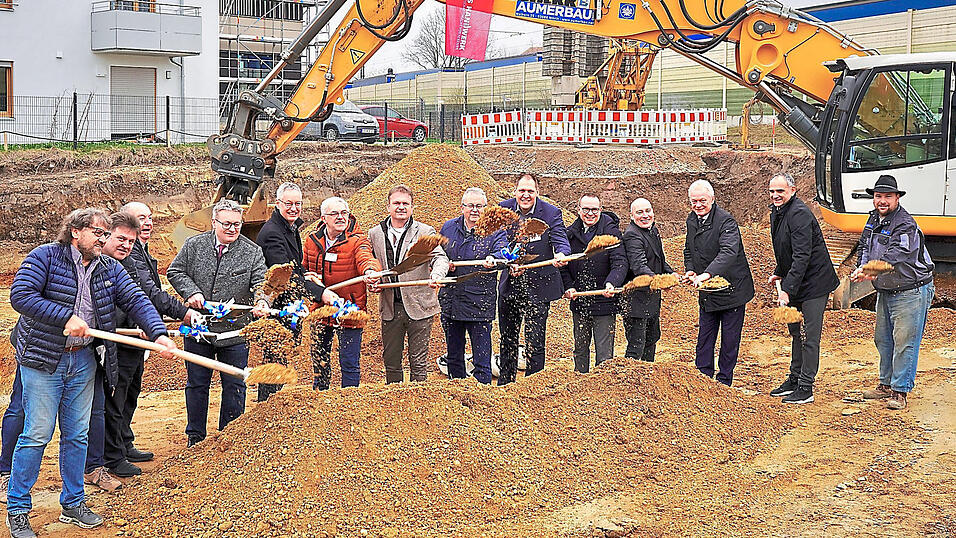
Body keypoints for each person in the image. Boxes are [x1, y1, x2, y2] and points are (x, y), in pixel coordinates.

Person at [7, 208, 176, 538]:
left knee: (77, 434)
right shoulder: (45, 256)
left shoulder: (109, 268)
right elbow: (21, 296)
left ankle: (73, 503)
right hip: (44, 359)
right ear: (75, 231)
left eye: (105, 234)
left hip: (83, 358)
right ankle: (17, 509)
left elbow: (136, 300)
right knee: (37, 433)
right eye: (98, 233)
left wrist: (158, 334)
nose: (104, 239)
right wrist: (64, 317)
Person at [167, 200, 270, 447]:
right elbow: (175, 272)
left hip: (235, 332)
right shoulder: (193, 245)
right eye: (226, 224)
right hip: (198, 329)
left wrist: (262, 301)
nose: (232, 229)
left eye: (237, 224)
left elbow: (262, 282)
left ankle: (230, 435)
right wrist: (191, 292)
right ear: (214, 223)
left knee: (235, 384)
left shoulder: (252, 251)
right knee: (197, 384)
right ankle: (195, 437)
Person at [852, 175, 935, 411]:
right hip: (887, 289)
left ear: (897, 198)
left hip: (911, 290)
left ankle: (900, 391)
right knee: (883, 339)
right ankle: (886, 384)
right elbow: (864, 245)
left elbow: (899, 253)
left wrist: (871, 269)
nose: (882, 201)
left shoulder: (905, 224)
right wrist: (862, 266)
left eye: (888, 196)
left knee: (905, 342)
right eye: (878, 196)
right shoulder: (873, 218)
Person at [254, 182, 335, 401]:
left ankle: (271, 403)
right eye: (288, 203)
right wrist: (321, 293)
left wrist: (305, 274)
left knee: (280, 359)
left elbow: (293, 267)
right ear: (277, 203)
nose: (293, 208)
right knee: (274, 360)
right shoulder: (273, 233)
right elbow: (284, 277)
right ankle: (267, 405)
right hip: (275, 307)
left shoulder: (289, 227)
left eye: (297, 203)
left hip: (287, 306)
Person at [766, 174, 840, 404]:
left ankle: (806, 387)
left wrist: (786, 290)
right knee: (796, 332)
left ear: (793, 190)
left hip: (814, 284)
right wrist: (780, 271)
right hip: (797, 281)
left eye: (780, 191)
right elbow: (783, 249)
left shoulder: (799, 213)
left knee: (809, 336)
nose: (776, 195)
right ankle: (794, 378)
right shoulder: (777, 212)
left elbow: (802, 255)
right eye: (772, 191)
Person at [368, 185, 449, 383]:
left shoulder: (424, 231)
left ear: (412, 207)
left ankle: (419, 397)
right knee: (391, 361)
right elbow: (370, 262)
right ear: (388, 206)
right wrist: (372, 278)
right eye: (396, 203)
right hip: (390, 306)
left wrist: (437, 274)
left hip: (420, 306)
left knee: (418, 362)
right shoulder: (375, 233)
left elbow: (440, 258)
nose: (401, 207)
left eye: (406, 203)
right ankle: (394, 398)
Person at [302, 196, 382, 390]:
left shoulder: (357, 241)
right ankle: (320, 398)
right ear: (323, 218)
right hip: (320, 309)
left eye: (344, 213)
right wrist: (305, 275)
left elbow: (366, 258)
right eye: (334, 213)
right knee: (320, 362)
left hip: (349, 309)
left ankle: (349, 399)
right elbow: (304, 268)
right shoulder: (312, 241)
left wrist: (370, 271)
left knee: (349, 363)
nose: (340, 217)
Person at [497, 173, 570, 385]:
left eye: (530, 191)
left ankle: (533, 385)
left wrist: (561, 254)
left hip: (539, 285)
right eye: (522, 190)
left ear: (537, 192)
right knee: (508, 338)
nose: (526, 195)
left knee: (535, 340)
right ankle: (505, 384)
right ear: (515, 191)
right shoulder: (503, 210)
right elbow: (498, 241)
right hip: (511, 284)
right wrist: (508, 261)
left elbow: (560, 239)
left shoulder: (551, 213)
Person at [682, 180, 755, 386]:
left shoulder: (726, 222)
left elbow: (728, 252)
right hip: (708, 290)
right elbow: (689, 249)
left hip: (732, 289)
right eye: (694, 201)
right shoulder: (692, 220)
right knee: (705, 335)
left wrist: (707, 274)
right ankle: (703, 377)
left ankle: (724, 381)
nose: (698, 205)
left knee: (729, 340)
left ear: (712, 199)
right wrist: (690, 269)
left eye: (702, 201)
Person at [439, 188, 508, 384]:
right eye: (470, 205)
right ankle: (457, 391)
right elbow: (438, 255)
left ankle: (482, 393)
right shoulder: (449, 227)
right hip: (451, 301)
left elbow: (504, 254)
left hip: (480, 303)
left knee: (482, 359)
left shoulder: (496, 230)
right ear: (462, 207)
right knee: (454, 357)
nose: (475, 210)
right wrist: (445, 265)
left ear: (486, 208)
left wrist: (494, 259)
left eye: (479, 206)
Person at [561, 194, 627, 372]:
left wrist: (612, 282)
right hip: (580, 300)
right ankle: (579, 381)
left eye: (594, 209)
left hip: (604, 301)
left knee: (604, 354)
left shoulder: (611, 233)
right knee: (580, 349)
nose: (590, 213)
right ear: (578, 210)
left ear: (600, 210)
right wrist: (569, 286)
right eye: (586, 209)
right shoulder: (570, 234)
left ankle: (603, 384)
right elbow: (563, 266)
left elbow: (620, 262)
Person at [621, 198, 674, 363]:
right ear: (631, 216)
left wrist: (672, 274)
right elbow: (639, 266)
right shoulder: (632, 235)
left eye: (648, 211)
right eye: (639, 212)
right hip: (635, 299)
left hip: (651, 296)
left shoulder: (653, 230)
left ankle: (648, 373)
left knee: (651, 338)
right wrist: (661, 281)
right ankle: (630, 375)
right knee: (637, 344)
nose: (645, 215)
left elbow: (660, 260)